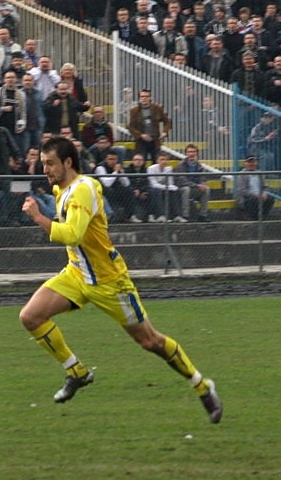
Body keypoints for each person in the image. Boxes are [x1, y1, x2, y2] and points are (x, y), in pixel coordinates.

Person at [19, 137, 222, 423]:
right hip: (76, 273)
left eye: (50, 163)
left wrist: (38, 217)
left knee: (150, 341)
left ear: (68, 162)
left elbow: (73, 234)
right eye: (42, 163)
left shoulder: (84, 188)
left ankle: (202, 386)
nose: (45, 169)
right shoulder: (61, 189)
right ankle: (76, 371)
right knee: (30, 317)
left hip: (109, 282)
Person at [234, 155, 275, 220]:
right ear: (245, 164)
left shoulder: (259, 173)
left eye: (253, 162)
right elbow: (242, 191)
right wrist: (256, 195)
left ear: (256, 163)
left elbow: (265, 186)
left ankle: (263, 217)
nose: (251, 164)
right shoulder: (242, 174)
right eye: (249, 162)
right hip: (247, 197)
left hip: (259, 195)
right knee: (253, 200)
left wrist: (264, 193)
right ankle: (250, 217)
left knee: (270, 198)